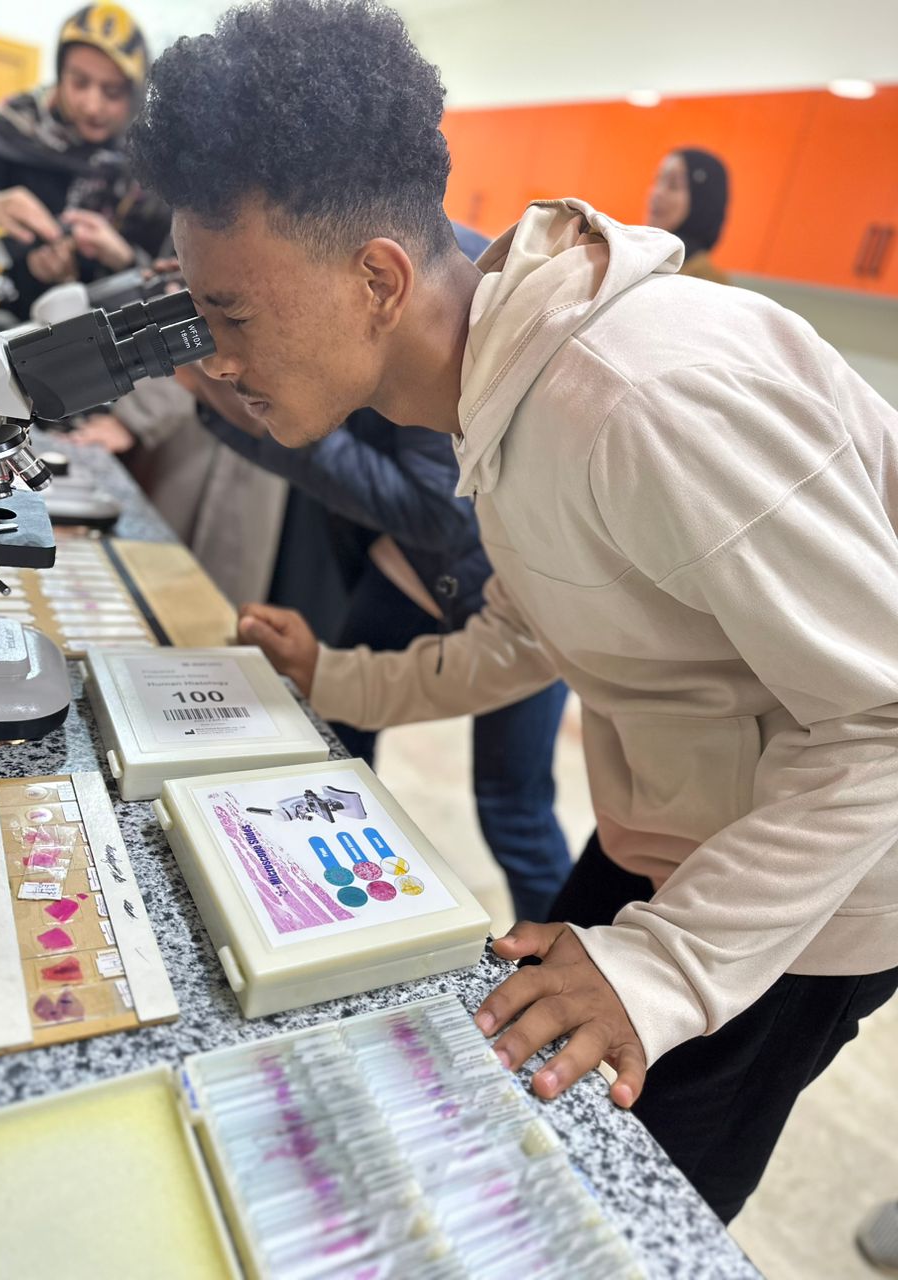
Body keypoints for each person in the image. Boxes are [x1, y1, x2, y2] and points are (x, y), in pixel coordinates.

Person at [128, 0, 898, 1223]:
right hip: (667, 835)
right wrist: (338, 678)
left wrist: (666, 964)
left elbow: (882, 723)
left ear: (377, 276)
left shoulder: (647, 397)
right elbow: (530, 635)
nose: (215, 357)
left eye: (232, 313)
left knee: (621, 1211)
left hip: (809, 901)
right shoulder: (501, 395)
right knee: (511, 1133)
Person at [183, 355, 572, 922]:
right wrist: (224, 397)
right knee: (334, 748)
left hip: (501, 591)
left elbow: (441, 510)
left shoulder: (436, 347)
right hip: (410, 571)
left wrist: (274, 417)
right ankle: (325, 903)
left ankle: (557, 966)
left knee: (513, 808)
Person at [0, 4, 169, 317]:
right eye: (79, 82)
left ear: (134, 93)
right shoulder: (20, 123)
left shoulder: (155, 158)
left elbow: (179, 275)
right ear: (60, 75)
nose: (91, 105)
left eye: (112, 91)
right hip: (21, 327)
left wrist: (122, 258)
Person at [646, 147, 730, 283]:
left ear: (702, 201)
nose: (656, 193)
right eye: (657, 180)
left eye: (673, 185)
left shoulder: (709, 283)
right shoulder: (640, 258)